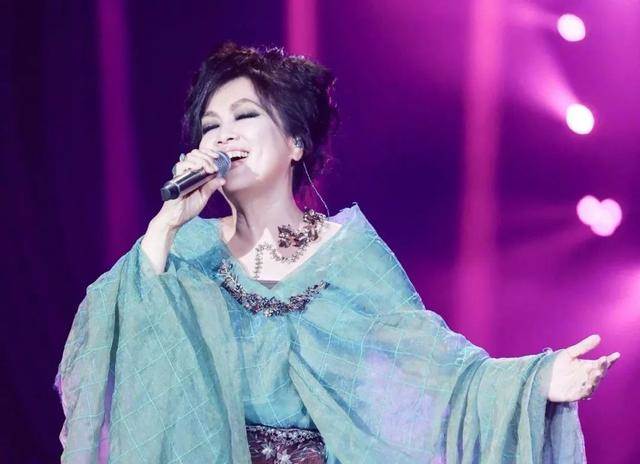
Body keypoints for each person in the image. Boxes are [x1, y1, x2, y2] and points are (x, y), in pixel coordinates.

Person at [55, 42, 620, 463]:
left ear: (295, 141)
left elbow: (436, 375)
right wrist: (166, 226)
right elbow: (108, 351)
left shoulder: (348, 255)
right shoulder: (184, 251)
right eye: (210, 126)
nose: (224, 135)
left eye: (245, 116)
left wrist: (536, 382)